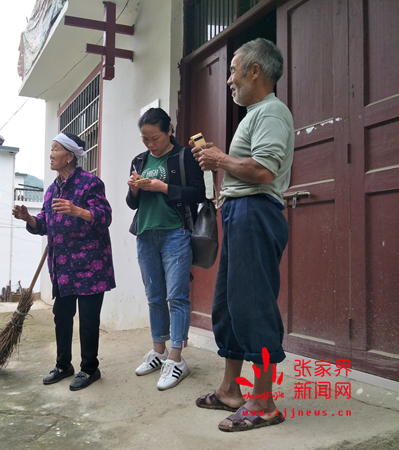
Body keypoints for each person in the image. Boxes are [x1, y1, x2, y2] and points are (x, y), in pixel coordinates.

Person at [192, 38, 294, 432]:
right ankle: (231, 390)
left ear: (255, 71)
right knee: (229, 304)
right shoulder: (255, 114)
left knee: (253, 305)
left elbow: (264, 171)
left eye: (233, 70)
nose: (229, 79)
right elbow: (247, 165)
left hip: (255, 212)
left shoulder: (271, 112)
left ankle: (263, 402)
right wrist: (219, 159)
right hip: (239, 212)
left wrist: (220, 159)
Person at [13, 132, 115, 391]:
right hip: (63, 267)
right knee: (62, 315)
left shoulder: (90, 183)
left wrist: (77, 211)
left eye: (55, 149)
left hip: (91, 265)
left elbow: (104, 216)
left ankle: (89, 369)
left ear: (69, 156)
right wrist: (28, 218)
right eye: (51, 149)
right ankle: (63, 365)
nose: (51, 154)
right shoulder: (51, 190)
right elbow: (44, 224)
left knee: (88, 319)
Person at [126, 108, 206, 390]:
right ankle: (158, 351)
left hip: (175, 232)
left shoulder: (184, 156)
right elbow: (132, 204)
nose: (150, 144)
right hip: (145, 233)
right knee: (154, 296)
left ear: (169, 131)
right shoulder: (139, 160)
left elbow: (199, 193)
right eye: (145, 139)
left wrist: (163, 187)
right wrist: (134, 188)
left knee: (177, 297)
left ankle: (176, 358)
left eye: (155, 138)